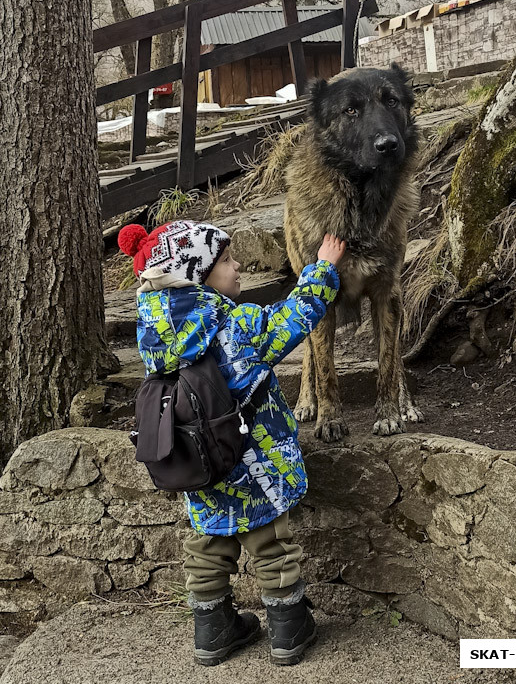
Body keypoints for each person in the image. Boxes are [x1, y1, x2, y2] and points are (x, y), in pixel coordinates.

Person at [117, 219, 346, 667]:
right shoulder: (233, 324)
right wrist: (321, 269)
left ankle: (213, 631)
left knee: (208, 541)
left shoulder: (154, 331)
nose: (237, 265)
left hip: (198, 460)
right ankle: (288, 630)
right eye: (224, 260)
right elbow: (291, 319)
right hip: (253, 457)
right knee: (269, 539)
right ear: (195, 275)